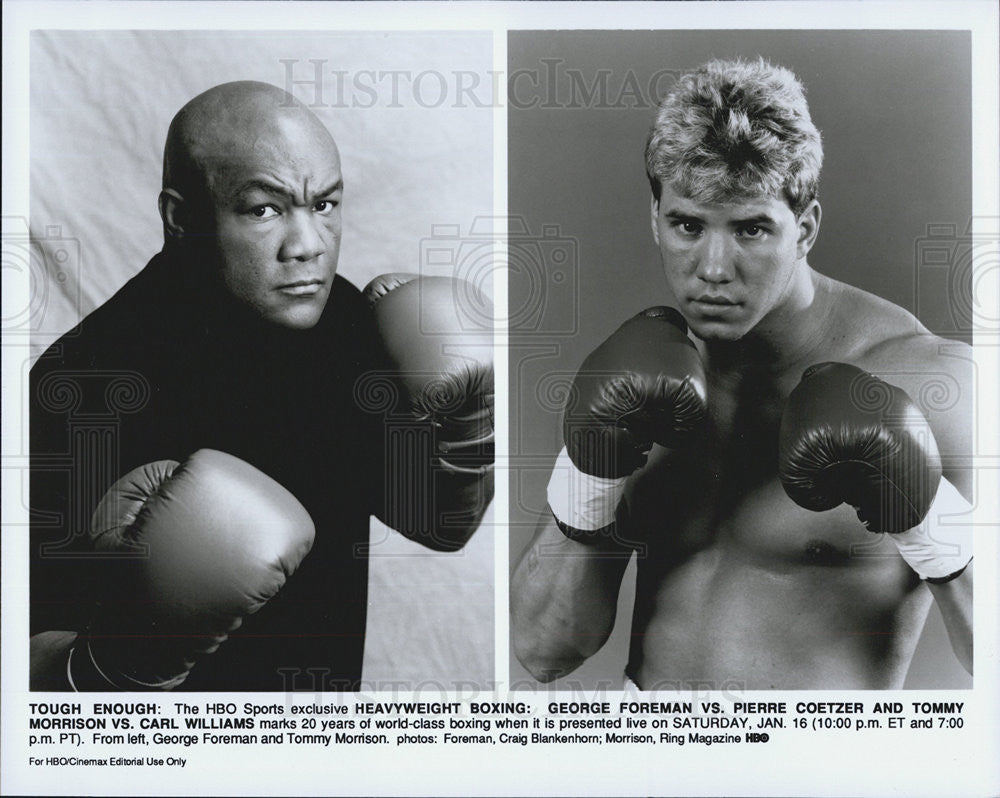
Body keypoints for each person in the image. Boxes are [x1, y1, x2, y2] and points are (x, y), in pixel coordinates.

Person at [511, 58, 972, 690]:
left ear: (804, 228)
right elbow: (543, 649)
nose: (714, 268)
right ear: (656, 219)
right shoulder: (642, 378)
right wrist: (592, 468)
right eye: (688, 226)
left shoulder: (930, 384)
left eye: (752, 228)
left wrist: (931, 519)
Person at [29, 81, 493, 691]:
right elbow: (27, 668)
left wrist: (467, 433)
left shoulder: (344, 323)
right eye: (264, 209)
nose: (307, 248)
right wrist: (122, 662)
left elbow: (439, 523)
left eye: (324, 205)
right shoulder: (81, 386)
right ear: (182, 217)